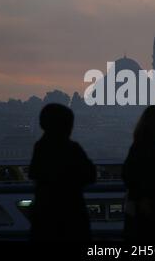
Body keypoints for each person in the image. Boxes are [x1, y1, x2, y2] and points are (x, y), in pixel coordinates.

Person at [29, 103, 96, 241]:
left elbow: (34, 174)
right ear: (66, 126)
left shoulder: (40, 148)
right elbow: (91, 175)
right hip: (72, 214)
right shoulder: (72, 149)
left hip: (45, 216)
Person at [122, 105, 155, 241]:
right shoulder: (145, 146)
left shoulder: (153, 145)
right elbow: (130, 174)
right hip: (151, 210)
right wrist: (142, 198)